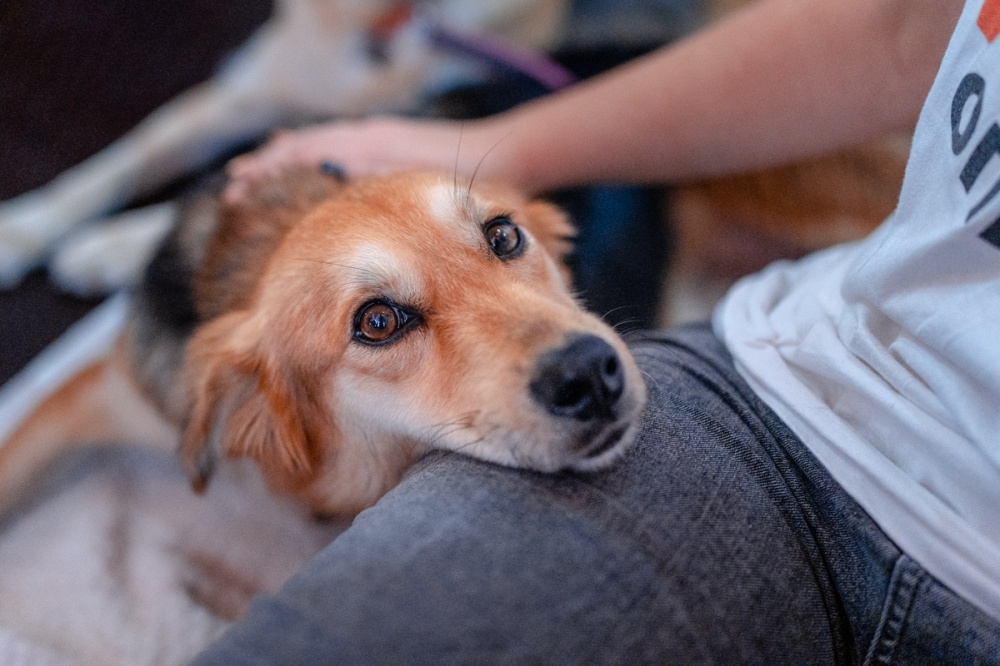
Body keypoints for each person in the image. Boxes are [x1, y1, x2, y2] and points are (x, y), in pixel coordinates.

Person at [196, 0, 1000, 661]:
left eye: (504, 241)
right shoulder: (254, 368)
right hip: (785, 375)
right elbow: (903, 30)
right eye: (383, 321)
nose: (570, 358)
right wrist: (472, 150)